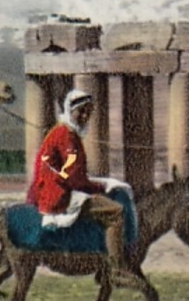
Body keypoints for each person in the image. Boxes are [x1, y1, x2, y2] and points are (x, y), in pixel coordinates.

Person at [28, 88, 129, 274]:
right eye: (80, 111)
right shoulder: (66, 136)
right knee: (116, 211)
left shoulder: (64, 133)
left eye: (88, 113)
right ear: (69, 110)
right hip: (57, 194)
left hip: (56, 187)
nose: (84, 116)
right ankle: (117, 267)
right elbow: (73, 177)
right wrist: (100, 187)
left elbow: (73, 173)